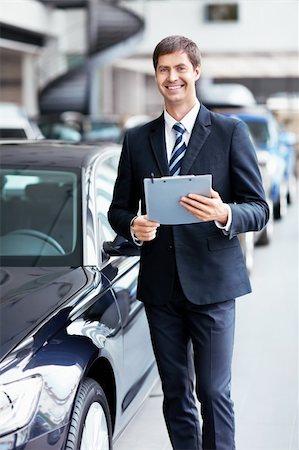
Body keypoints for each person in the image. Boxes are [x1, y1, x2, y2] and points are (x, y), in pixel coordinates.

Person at [108, 35, 269, 450]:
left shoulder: (230, 132)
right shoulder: (137, 139)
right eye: (164, 69)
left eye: (180, 68)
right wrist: (134, 226)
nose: (172, 77)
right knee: (177, 395)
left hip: (214, 286)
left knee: (214, 393)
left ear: (196, 72)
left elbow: (258, 208)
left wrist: (224, 214)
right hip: (162, 288)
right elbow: (118, 209)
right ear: (156, 76)